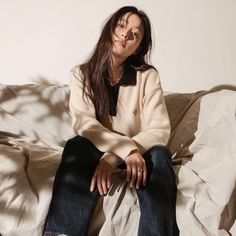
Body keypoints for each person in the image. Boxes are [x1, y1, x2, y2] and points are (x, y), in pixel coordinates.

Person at [43, 6, 179, 236]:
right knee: (77, 145)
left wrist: (112, 159)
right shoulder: (81, 74)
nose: (126, 34)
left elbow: (159, 129)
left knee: (160, 155)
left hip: (139, 152)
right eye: (122, 25)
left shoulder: (147, 76)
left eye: (135, 34)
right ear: (111, 28)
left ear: (138, 47)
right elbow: (85, 124)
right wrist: (122, 151)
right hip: (102, 149)